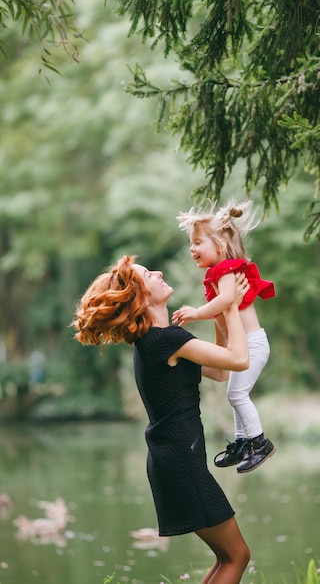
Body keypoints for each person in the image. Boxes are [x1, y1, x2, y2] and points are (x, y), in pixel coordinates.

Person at [71, 254, 251, 584]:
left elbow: (219, 371)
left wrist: (221, 312)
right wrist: (231, 305)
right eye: (148, 274)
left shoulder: (157, 341)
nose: (159, 272)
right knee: (237, 556)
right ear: (139, 297)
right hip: (181, 462)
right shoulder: (166, 341)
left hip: (173, 461)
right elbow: (239, 360)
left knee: (228, 556)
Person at [172, 199, 276, 473]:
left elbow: (228, 300)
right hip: (245, 345)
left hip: (252, 344)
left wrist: (195, 313)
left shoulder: (226, 269)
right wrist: (220, 351)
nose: (192, 248)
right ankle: (243, 442)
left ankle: (259, 442)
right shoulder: (215, 274)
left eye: (197, 242)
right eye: (191, 243)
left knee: (237, 393)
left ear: (220, 246)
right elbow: (223, 322)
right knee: (234, 392)